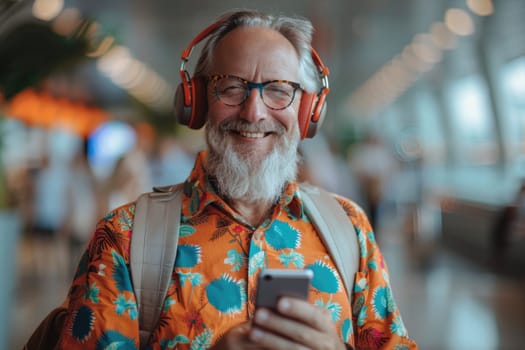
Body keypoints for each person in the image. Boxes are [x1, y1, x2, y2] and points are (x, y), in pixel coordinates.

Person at [55, 10, 417, 349]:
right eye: (231, 86)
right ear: (196, 102)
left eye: (279, 89)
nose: (254, 112)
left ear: (307, 111)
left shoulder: (349, 229)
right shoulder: (123, 238)